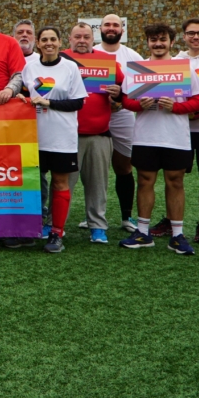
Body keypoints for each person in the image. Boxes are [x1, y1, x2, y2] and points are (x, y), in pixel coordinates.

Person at [118, 23, 199, 254]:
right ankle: (143, 232)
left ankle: (177, 235)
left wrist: (176, 107)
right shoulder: (138, 69)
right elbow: (125, 101)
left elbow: (198, 101)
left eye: (162, 39)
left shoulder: (183, 68)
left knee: (175, 181)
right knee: (145, 180)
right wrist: (140, 104)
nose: (158, 44)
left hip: (175, 137)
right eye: (153, 39)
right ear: (147, 42)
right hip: (146, 136)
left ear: (172, 42)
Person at [154, 18, 199, 244]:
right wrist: (184, 110)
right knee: (173, 176)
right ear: (183, 37)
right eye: (191, 33)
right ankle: (170, 219)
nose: (196, 37)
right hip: (177, 126)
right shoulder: (174, 60)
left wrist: (193, 106)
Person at [18, 26, 86, 253]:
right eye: (44, 39)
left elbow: (78, 102)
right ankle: (28, 230)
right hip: (33, 136)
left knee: (59, 182)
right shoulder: (29, 68)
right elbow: (28, 95)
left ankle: (57, 232)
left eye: (53, 39)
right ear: (38, 43)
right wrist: (22, 98)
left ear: (59, 43)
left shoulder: (70, 67)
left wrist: (49, 103)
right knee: (32, 183)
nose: (48, 43)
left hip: (61, 136)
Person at [65, 22, 123, 244]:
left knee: (98, 185)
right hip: (67, 136)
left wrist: (117, 94)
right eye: (77, 37)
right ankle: (56, 224)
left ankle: (97, 226)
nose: (81, 41)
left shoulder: (107, 62)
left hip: (99, 134)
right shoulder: (61, 59)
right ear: (69, 39)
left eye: (86, 37)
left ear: (93, 39)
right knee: (63, 184)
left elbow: (123, 93)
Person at [99, 13, 144, 232]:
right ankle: (94, 214)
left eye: (115, 25)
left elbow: (141, 89)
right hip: (94, 114)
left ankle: (127, 217)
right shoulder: (91, 53)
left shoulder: (133, 56)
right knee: (91, 166)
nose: (111, 28)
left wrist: (120, 100)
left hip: (123, 114)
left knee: (123, 165)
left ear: (122, 30)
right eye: (107, 24)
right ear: (100, 28)